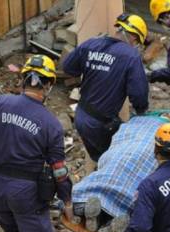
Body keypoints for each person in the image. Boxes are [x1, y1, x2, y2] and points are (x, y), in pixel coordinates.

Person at [0, 55, 73, 232]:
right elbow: (59, 170)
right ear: (48, 85)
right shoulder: (50, 124)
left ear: (23, 79)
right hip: (25, 194)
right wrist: (67, 200)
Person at [63, 13, 149, 162]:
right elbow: (139, 94)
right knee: (115, 160)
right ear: (134, 37)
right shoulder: (131, 56)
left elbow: (68, 67)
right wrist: (141, 111)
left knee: (101, 158)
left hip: (81, 117)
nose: (136, 46)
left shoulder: (91, 44)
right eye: (138, 43)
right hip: (100, 124)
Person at [72, 111, 170, 226]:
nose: (168, 116)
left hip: (125, 151)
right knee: (137, 187)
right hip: (141, 160)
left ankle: (87, 205)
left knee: (111, 168)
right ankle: (111, 221)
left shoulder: (138, 121)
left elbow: (121, 134)